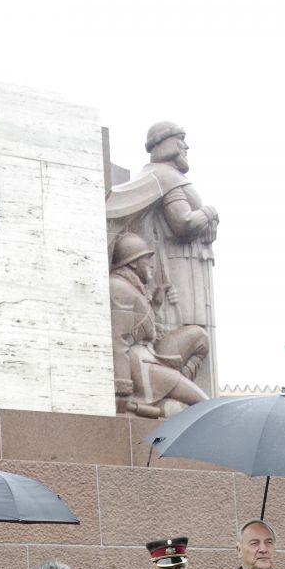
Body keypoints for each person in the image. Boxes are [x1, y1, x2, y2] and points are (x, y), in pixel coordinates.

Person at [106, 120, 219, 396]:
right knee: (196, 337)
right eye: (181, 138)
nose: (186, 146)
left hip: (187, 277)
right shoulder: (166, 178)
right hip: (180, 275)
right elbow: (183, 223)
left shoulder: (166, 177)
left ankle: (178, 389)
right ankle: (178, 391)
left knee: (197, 342)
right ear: (165, 143)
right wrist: (210, 212)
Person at [109, 233, 210, 418]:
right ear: (133, 263)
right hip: (140, 365)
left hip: (151, 354)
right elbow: (119, 339)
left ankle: (173, 390)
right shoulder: (118, 287)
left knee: (200, 337)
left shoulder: (132, 286)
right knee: (204, 404)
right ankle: (169, 397)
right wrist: (122, 388)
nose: (151, 264)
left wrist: (155, 304)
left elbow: (140, 326)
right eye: (146, 259)